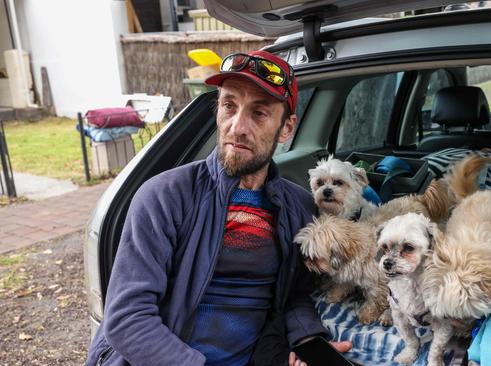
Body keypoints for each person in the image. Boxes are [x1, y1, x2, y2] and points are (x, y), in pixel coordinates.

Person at [85, 50, 351, 366]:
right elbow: (128, 317)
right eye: (229, 106)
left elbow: (293, 296)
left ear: (286, 128)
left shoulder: (299, 207)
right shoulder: (164, 197)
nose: (237, 127)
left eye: (259, 113)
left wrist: (310, 345)